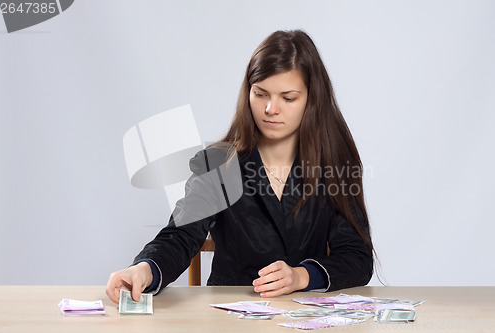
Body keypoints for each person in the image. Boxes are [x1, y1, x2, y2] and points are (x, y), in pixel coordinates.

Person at [106, 30, 374, 304]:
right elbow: (181, 235)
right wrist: (144, 269)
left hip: (304, 315)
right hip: (229, 313)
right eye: (260, 94)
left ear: (311, 99)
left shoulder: (336, 163)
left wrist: (302, 276)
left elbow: (357, 257)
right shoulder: (219, 163)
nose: (271, 108)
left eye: (288, 98)